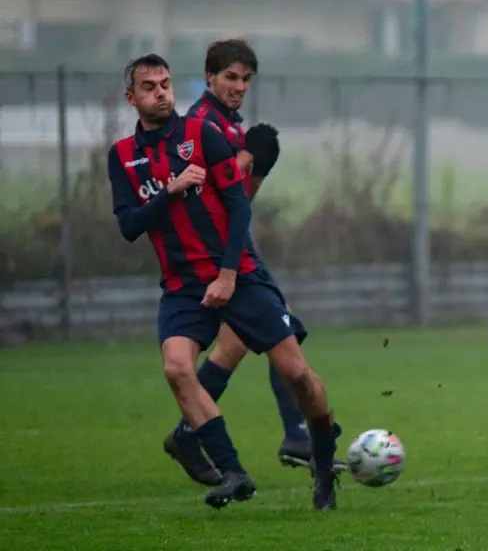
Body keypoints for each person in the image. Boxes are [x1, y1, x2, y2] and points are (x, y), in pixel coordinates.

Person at [107, 53, 339, 511]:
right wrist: (171, 192)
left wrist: (230, 274)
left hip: (239, 275)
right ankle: (233, 472)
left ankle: (323, 460)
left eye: (166, 84)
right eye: (150, 87)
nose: (161, 93)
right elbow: (130, 225)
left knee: (297, 375)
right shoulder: (122, 156)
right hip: (183, 285)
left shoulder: (201, 135)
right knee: (177, 367)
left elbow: (238, 206)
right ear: (131, 98)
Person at [162, 39, 346, 485]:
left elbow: (237, 199)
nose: (239, 86)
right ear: (209, 77)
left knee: (236, 345)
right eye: (230, 77)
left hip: (232, 252)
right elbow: (203, 198)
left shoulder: (227, 124)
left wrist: (258, 168)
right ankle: (298, 435)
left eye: (245, 79)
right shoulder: (200, 125)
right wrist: (248, 158)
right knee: (282, 348)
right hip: (220, 261)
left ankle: (191, 434)